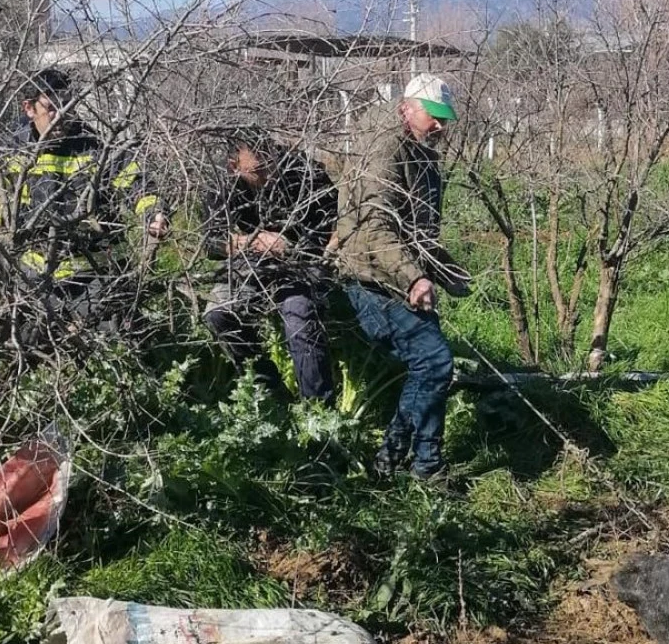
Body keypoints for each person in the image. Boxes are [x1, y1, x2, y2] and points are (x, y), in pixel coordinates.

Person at [333, 73, 469, 479]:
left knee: (431, 366)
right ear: (406, 108)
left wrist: (444, 270)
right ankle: (410, 464)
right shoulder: (384, 148)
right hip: (371, 279)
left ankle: (406, 464)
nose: (442, 126)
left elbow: (419, 232)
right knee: (433, 361)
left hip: (401, 277)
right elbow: (374, 227)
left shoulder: (424, 151)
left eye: (446, 118)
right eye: (435, 117)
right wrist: (414, 278)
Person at [0, 68, 167, 345]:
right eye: (52, 107)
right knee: (13, 338)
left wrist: (154, 213)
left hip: (93, 272)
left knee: (113, 341)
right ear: (29, 108)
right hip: (36, 274)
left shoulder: (92, 145)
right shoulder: (10, 149)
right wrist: (3, 221)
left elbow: (134, 182)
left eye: (68, 106)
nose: (62, 116)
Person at [201, 137, 336, 404]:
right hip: (252, 258)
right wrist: (251, 241)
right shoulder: (220, 183)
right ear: (234, 166)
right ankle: (272, 395)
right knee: (218, 312)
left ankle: (318, 411)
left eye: (272, 162)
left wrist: (300, 249)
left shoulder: (303, 171)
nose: (270, 172)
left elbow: (334, 226)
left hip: (305, 258)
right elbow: (210, 241)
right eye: (260, 169)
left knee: (298, 318)